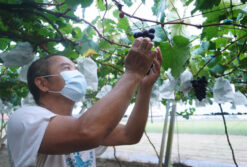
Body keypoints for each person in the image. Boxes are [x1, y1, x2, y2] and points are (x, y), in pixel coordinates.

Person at [7, 37, 162, 167]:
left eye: (76, 69)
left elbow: (130, 135)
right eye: (67, 68)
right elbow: (87, 131)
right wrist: (132, 74)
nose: (77, 74)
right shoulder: (25, 118)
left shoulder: (78, 121)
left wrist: (145, 87)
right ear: (42, 83)